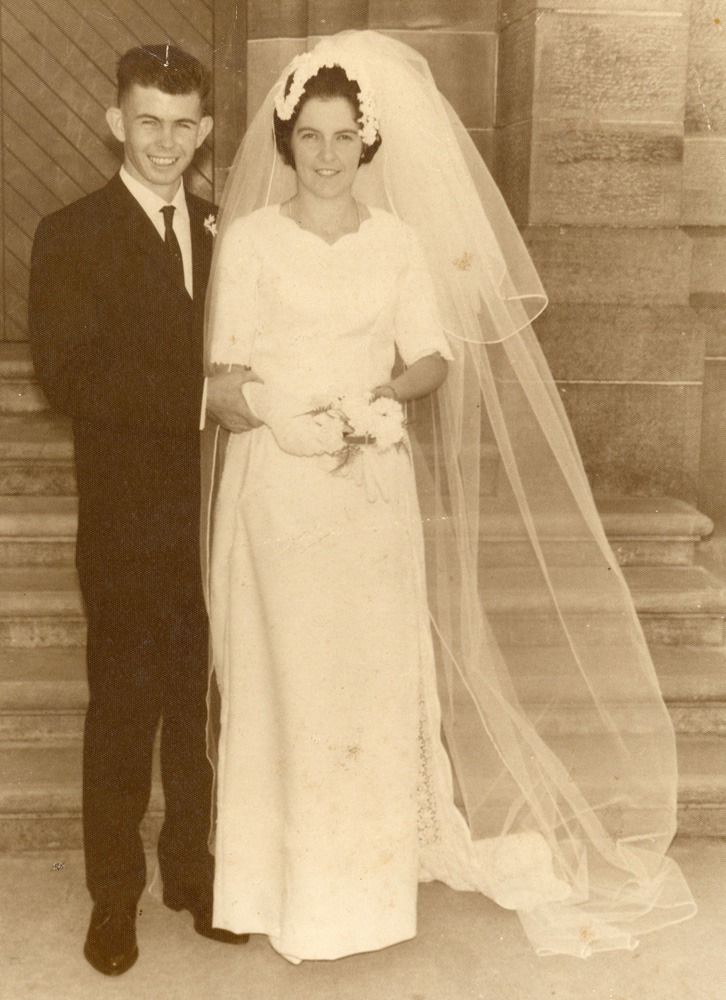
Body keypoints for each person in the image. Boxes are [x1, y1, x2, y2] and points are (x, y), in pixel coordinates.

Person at [203, 31, 696, 963]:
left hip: (369, 487)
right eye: (310, 135)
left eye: (344, 136)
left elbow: (431, 355)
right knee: (292, 681)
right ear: (286, 139)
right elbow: (224, 375)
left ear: (368, 141)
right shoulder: (254, 242)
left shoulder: (395, 241)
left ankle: (364, 897)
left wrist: (384, 399)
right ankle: (281, 889)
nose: (327, 155)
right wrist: (279, 413)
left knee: (366, 679)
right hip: (278, 482)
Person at [28, 45, 255, 977]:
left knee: (203, 706)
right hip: (125, 520)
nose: (165, 142)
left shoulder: (227, 227)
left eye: (184, 124)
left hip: (223, 515)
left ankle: (193, 878)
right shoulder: (69, 232)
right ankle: (113, 897)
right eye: (147, 122)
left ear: (205, 132)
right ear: (116, 122)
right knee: (124, 708)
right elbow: (66, 372)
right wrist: (204, 402)